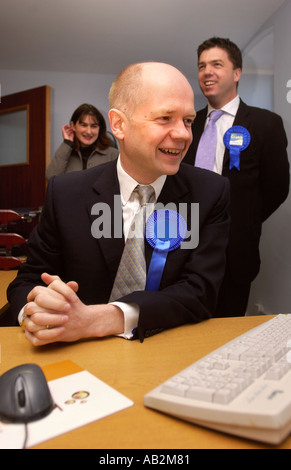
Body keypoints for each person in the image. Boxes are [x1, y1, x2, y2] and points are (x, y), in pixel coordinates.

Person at [7, 61, 230, 346]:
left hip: (167, 353)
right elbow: (27, 280)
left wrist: (98, 320)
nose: (184, 134)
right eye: (165, 118)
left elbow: (201, 292)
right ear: (119, 124)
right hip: (76, 357)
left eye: (187, 120)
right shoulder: (65, 194)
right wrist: (34, 311)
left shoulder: (210, 192)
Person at [183, 37, 289, 318]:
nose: (207, 72)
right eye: (202, 66)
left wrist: (243, 217)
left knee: (227, 333)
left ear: (237, 73)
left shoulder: (266, 124)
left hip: (235, 252)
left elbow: (277, 188)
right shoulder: (186, 124)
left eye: (217, 64)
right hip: (184, 248)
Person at [45, 103, 118, 179]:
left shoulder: (113, 155)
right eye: (84, 125)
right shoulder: (66, 153)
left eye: (94, 126)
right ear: (73, 126)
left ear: (100, 128)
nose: (89, 132)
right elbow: (50, 177)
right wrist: (67, 143)